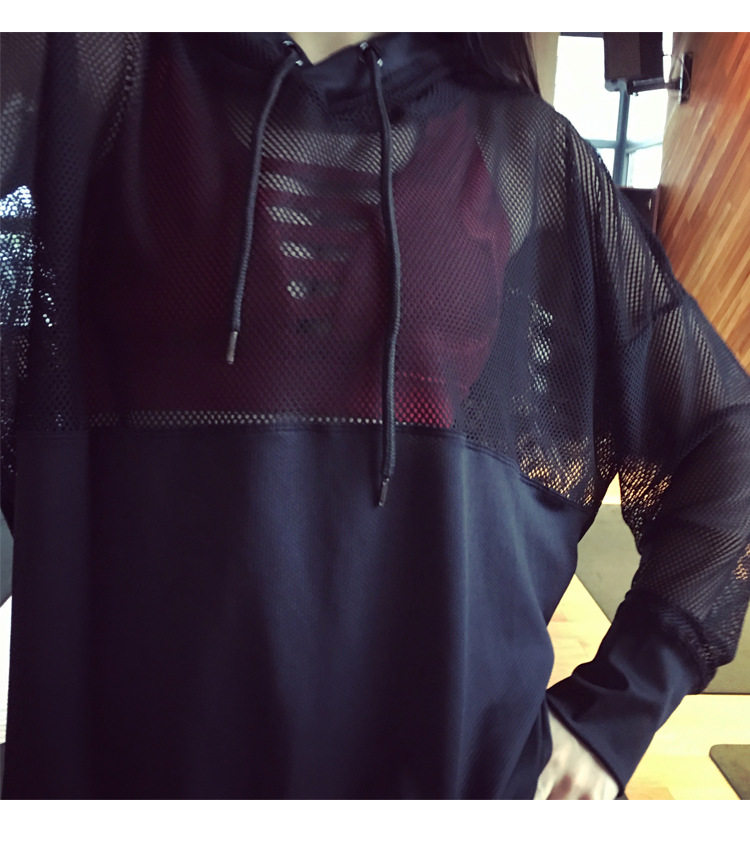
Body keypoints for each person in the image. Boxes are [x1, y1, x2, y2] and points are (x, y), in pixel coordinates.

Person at [0, 31, 748, 800]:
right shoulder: (97, 72)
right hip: (146, 755)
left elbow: (727, 437)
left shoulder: (524, 147)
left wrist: (613, 713)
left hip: (445, 761)